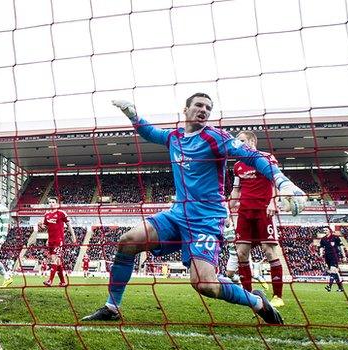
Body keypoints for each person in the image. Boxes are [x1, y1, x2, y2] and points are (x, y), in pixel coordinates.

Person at [81, 94, 306, 324]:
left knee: (204, 284)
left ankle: (258, 302)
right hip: (177, 215)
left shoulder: (216, 137)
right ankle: (112, 307)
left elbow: (253, 156)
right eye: (199, 105)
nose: (204, 110)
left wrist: (282, 181)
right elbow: (150, 132)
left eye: (208, 108)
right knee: (128, 240)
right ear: (185, 109)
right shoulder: (174, 137)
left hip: (206, 220)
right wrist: (132, 114)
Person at [229, 131, 285, 307]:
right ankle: (247, 295)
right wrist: (231, 205)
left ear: (252, 141)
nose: (240, 145)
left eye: (243, 141)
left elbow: (275, 181)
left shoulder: (266, 158)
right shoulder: (238, 165)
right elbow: (236, 190)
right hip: (245, 212)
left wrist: (273, 203)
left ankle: (277, 296)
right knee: (241, 253)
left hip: (263, 211)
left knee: (269, 251)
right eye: (238, 142)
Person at [34, 197, 77, 287]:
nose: (51, 204)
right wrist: (40, 226)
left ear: (57, 204)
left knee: (55, 259)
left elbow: (69, 225)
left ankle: (50, 280)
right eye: (50, 202)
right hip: (51, 241)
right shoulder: (47, 215)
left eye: (53, 202)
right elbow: (46, 228)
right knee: (58, 262)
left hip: (59, 240)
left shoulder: (61, 213)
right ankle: (63, 282)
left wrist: (73, 237)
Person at [318, 227, 345, 292]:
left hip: (334, 256)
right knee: (335, 272)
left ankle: (329, 286)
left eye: (326, 230)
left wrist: (344, 255)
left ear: (330, 230)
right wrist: (321, 254)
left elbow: (341, 246)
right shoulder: (323, 239)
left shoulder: (335, 237)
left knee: (333, 271)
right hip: (327, 257)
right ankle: (340, 288)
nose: (325, 231)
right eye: (324, 230)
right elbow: (321, 247)